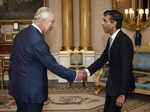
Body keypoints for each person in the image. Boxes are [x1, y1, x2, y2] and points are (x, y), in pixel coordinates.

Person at [8, 7, 85, 112]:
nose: (52, 26)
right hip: (31, 91)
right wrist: (74, 75)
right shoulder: (37, 40)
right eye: (51, 22)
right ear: (42, 22)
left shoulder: (21, 34)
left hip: (18, 87)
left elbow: (14, 61)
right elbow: (52, 65)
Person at [81, 10, 135, 112]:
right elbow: (102, 59)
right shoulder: (111, 39)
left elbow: (126, 68)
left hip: (119, 87)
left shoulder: (124, 41)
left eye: (105, 21)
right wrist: (87, 71)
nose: (102, 23)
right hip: (112, 84)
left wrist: (122, 94)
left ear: (114, 23)